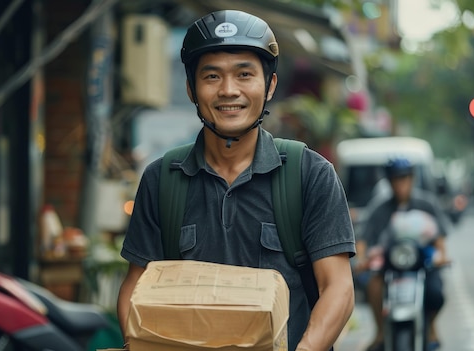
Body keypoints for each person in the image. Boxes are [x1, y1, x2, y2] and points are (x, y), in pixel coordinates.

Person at [116, 9, 356, 351]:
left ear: (270, 85)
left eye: (244, 74)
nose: (229, 90)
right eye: (212, 76)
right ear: (190, 89)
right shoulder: (161, 178)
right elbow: (134, 288)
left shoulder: (310, 174)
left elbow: (338, 288)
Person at [354, 157, 451, 351]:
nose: (401, 183)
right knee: (373, 285)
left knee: (436, 293)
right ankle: (380, 332)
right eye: (396, 179)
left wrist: (441, 256)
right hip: (389, 266)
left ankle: (431, 326)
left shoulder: (426, 204)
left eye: (405, 178)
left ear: (412, 178)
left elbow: (440, 240)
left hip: (423, 265)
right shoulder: (379, 208)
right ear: (389, 181)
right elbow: (363, 240)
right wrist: (362, 259)